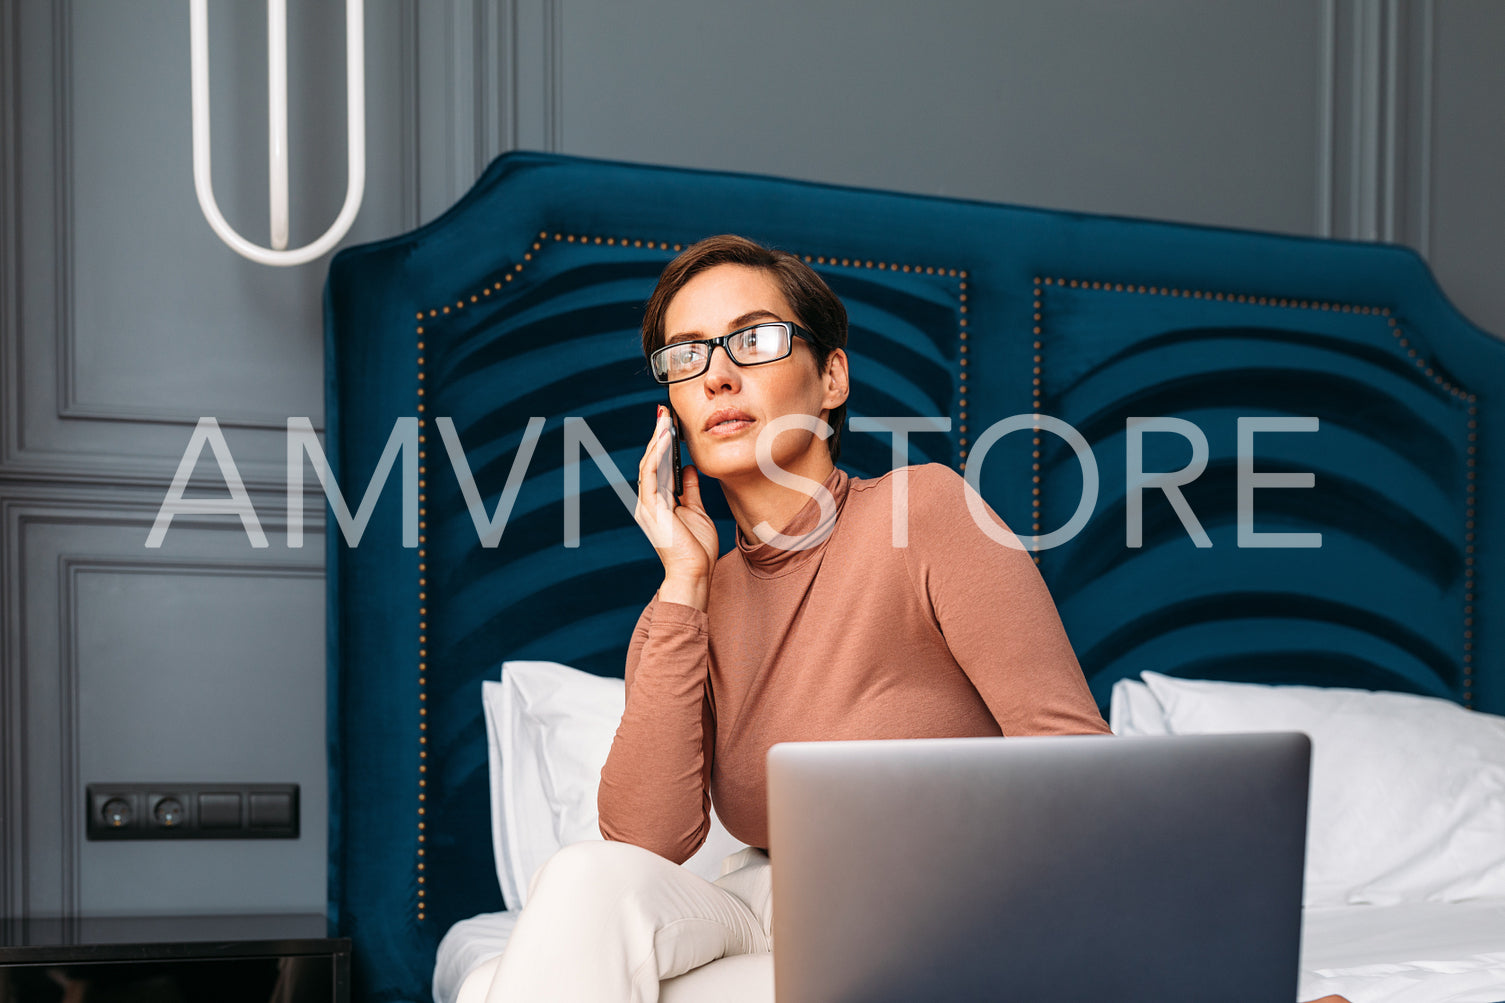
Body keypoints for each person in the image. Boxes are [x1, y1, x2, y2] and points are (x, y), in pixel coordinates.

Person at [483, 235, 1347, 1003]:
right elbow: (644, 841)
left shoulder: (924, 510)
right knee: (582, 882)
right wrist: (681, 581)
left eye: (752, 339)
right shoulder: (688, 600)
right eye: (686, 354)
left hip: (935, 911)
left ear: (831, 378)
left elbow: (1073, 756)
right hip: (766, 903)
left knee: (503, 985)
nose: (716, 373)